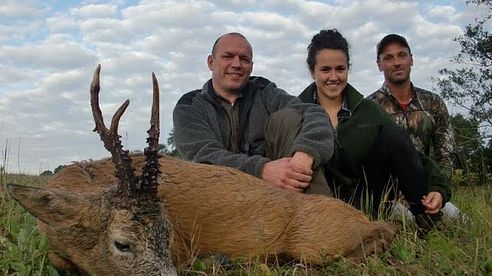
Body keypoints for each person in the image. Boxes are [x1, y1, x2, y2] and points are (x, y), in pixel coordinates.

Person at [298, 29, 451, 221]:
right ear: (313, 72)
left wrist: (438, 188)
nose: (334, 77)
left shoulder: (368, 110)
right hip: (316, 209)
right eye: (325, 69)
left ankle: (426, 221)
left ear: (348, 69)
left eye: (340, 69)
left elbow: (405, 149)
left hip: (365, 204)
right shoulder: (296, 112)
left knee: (392, 136)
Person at [173, 32, 334, 196]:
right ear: (211, 62)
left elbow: (314, 113)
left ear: (251, 66)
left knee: (291, 118)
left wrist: (305, 154)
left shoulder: (264, 91)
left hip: (274, 191)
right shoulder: (189, 106)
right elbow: (204, 157)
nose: (237, 64)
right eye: (228, 56)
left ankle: (324, 216)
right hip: (217, 196)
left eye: (244, 59)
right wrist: (262, 170)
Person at [368, 34, 464, 221]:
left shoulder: (433, 103)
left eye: (402, 55)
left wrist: (438, 191)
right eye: (388, 58)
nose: (397, 62)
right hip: (388, 201)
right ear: (379, 64)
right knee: (408, 227)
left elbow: (446, 154)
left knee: (463, 225)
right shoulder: (369, 108)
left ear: (411, 59)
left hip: (427, 194)